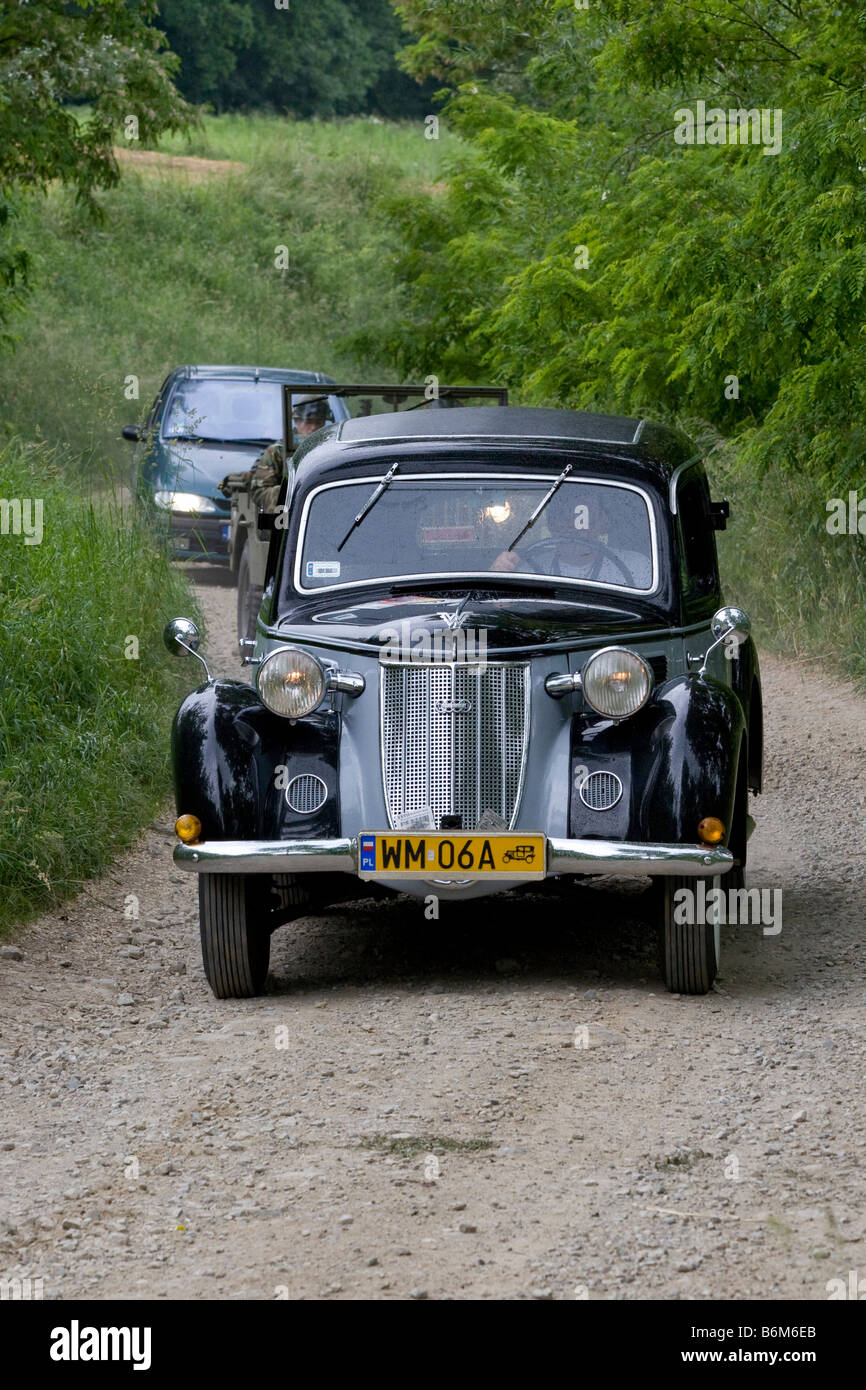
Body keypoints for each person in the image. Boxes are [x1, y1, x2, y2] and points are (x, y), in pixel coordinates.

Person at [490, 488, 650, 588]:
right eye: (564, 519)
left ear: (603, 523)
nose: (576, 529)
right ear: (551, 525)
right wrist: (497, 578)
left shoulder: (636, 566)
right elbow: (506, 612)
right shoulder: (528, 570)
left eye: (586, 519)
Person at [218, 393, 332, 510]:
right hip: (286, 517)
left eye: (318, 422)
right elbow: (259, 492)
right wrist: (285, 494)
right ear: (296, 421)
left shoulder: (331, 449)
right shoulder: (278, 451)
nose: (313, 428)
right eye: (308, 422)